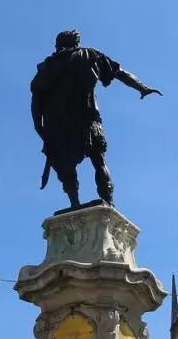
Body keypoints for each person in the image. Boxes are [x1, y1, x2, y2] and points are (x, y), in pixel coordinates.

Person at [31, 30, 160, 209]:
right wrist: (141, 87)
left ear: (59, 45)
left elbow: (37, 99)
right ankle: (109, 202)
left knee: (65, 165)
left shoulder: (47, 67)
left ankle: (74, 202)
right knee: (99, 159)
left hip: (59, 125)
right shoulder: (89, 55)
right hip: (89, 117)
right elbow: (119, 72)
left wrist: (39, 127)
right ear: (76, 43)